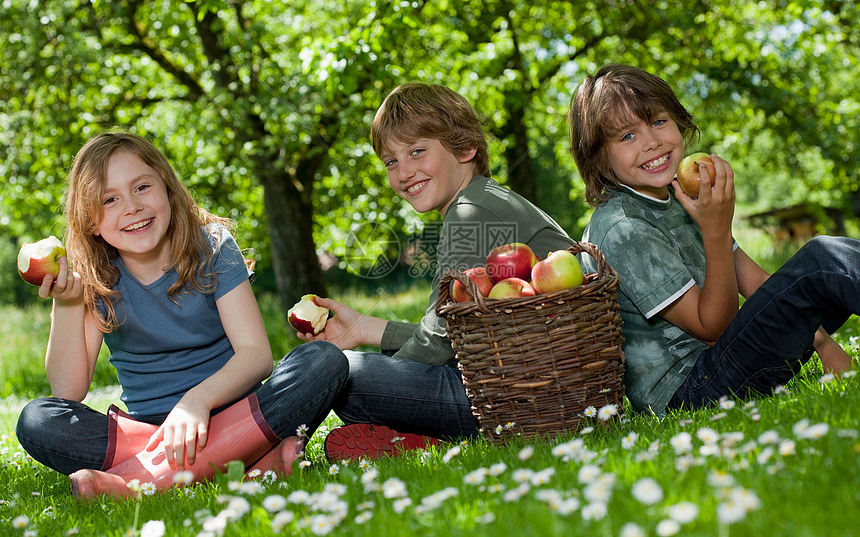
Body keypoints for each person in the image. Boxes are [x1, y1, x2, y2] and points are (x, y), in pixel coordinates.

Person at [15, 131, 348, 499]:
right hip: (153, 429)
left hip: (235, 411)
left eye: (142, 187)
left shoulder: (214, 247)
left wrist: (197, 401)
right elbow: (68, 391)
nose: (131, 207)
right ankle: (249, 462)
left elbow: (256, 356)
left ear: (168, 189)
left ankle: (139, 483)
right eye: (109, 199)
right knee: (38, 420)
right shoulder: (98, 276)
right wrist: (65, 304)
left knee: (324, 362)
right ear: (91, 221)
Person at [296, 83, 574, 460]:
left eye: (416, 151)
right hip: (526, 382)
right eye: (391, 162)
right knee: (351, 371)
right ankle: (415, 438)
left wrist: (384, 379)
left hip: (519, 396)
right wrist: (362, 328)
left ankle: (281, 448)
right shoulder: (482, 200)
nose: (404, 172)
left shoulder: (471, 213)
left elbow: (438, 342)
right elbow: (455, 331)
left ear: (464, 148)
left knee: (342, 373)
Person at [567, 63, 857, 415]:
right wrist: (716, 229)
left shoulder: (680, 197)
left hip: (726, 362)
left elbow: (761, 284)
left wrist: (824, 344)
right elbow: (711, 328)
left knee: (827, 257)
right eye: (627, 136)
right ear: (599, 158)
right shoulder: (623, 228)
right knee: (821, 262)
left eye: (659, 121)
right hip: (690, 391)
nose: (653, 142)